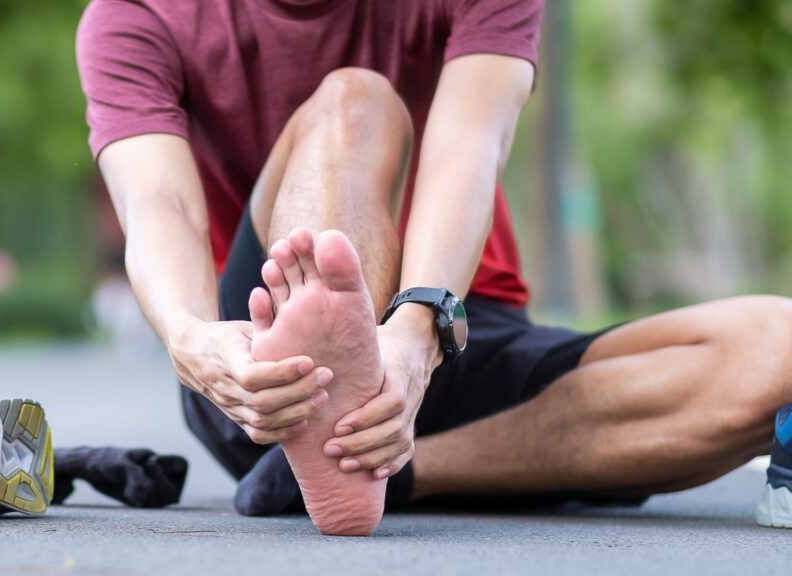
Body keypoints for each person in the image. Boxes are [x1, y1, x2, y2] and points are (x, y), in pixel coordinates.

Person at [76, 0, 792, 535]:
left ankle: (397, 468)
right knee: (357, 102)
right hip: (266, 379)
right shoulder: (133, 16)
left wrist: (416, 337)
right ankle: (330, 401)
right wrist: (191, 337)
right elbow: (159, 205)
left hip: (452, 331)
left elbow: (469, 146)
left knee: (780, 352)